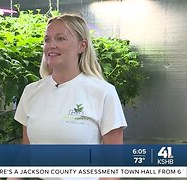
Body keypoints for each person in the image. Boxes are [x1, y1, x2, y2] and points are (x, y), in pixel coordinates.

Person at [14, 14, 127, 180]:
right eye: (47, 40)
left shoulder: (103, 92)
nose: (51, 45)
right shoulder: (31, 92)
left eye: (60, 39)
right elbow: (25, 153)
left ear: (82, 46)